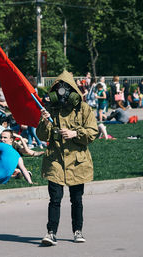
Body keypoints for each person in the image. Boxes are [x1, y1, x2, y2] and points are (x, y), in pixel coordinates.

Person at [36, 70, 98, 246]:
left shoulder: (84, 109)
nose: (62, 92)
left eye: (66, 88)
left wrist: (74, 133)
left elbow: (93, 132)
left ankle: (77, 231)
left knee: (76, 199)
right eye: (58, 88)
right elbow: (41, 135)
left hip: (77, 161)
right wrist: (44, 121)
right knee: (55, 199)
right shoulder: (49, 110)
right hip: (55, 160)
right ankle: (51, 233)